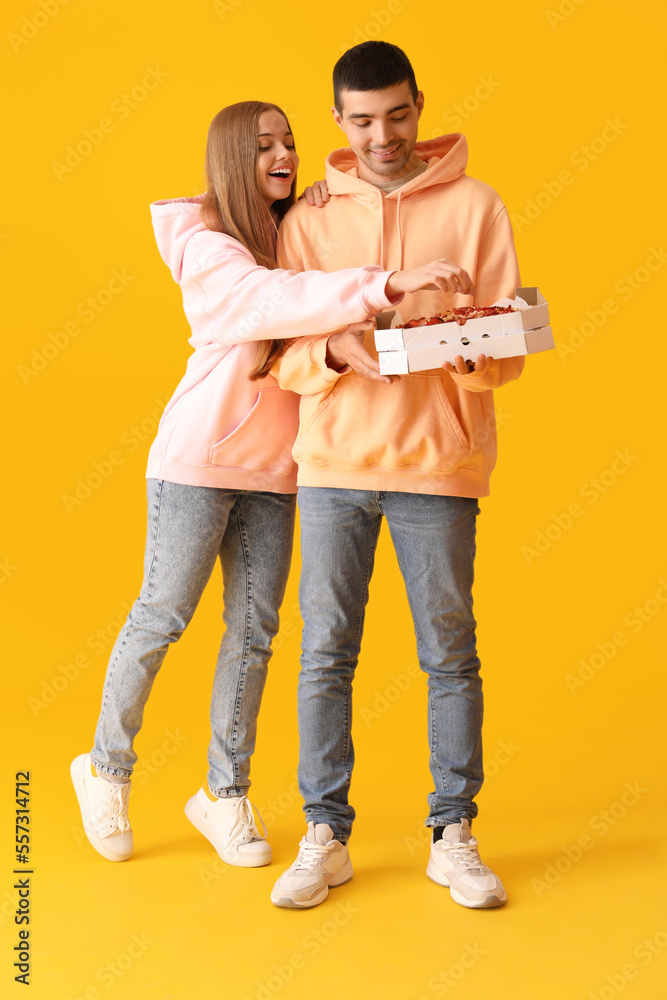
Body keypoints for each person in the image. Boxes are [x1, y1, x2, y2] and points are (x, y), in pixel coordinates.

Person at [70, 99, 468, 869]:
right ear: (229, 158)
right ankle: (104, 768)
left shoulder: (292, 238)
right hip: (197, 459)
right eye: (262, 146)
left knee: (254, 636)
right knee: (163, 614)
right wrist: (388, 283)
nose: (282, 153)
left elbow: (310, 315)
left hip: (280, 472)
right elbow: (272, 305)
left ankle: (223, 795)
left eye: (289, 141)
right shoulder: (207, 246)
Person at [269, 42, 525, 909]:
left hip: (438, 466)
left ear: (420, 105)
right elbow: (278, 354)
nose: (384, 135)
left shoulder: (478, 206)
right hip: (333, 465)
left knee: (449, 654)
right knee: (324, 654)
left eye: (399, 115)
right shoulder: (306, 221)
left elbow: (505, 359)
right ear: (339, 120)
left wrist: (459, 340)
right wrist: (334, 353)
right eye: (364, 120)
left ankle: (453, 835)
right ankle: (324, 836)